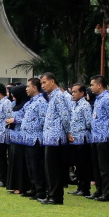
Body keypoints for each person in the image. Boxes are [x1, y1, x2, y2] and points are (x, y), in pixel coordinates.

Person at [38, 72, 70, 205]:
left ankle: (55, 197)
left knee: (54, 169)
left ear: (52, 81)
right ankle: (51, 195)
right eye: (41, 83)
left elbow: (65, 116)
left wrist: (68, 132)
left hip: (56, 138)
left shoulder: (59, 96)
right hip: (49, 137)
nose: (43, 86)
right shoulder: (52, 97)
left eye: (44, 82)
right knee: (49, 169)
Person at [86, 75, 109, 202]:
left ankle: (108, 192)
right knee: (97, 166)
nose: (91, 87)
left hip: (104, 137)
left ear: (99, 85)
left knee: (105, 167)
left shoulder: (106, 99)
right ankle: (99, 190)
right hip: (95, 137)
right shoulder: (98, 99)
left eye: (92, 84)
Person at [20, 78, 47, 200]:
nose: (26, 88)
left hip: (36, 138)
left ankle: (40, 191)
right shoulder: (30, 102)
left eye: (28, 86)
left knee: (37, 167)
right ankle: (33, 188)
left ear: (35, 88)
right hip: (28, 139)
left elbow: (43, 120)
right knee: (30, 166)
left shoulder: (41, 102)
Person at [67, 83, 92, 197]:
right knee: (77, 165)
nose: (73, 94)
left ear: (82, 93)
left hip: (82, 139)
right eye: (72, 92)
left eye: (75, 91)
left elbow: (88, 122)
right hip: (74, 139)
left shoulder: (85, 105)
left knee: (83, 165)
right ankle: (79, 186)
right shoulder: (73, 105)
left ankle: (85, 188)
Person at [6, 85, 30, 195]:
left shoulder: (27, 105)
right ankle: (14, 185)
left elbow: (27, 118)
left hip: (22, 137)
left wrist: (14, 120)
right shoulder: (14, 104)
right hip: (13, 137)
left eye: (15, 96)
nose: (13, 98)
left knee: (21, 164)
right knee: (13, 162)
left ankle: (21, 187)